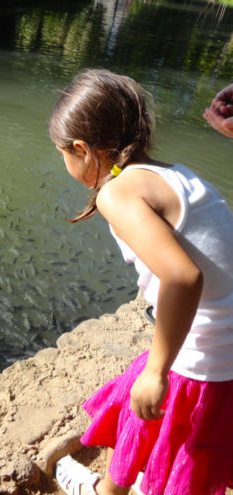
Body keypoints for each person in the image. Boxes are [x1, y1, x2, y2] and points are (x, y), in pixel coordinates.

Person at [47, 69, 233, 495]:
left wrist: (158, 370)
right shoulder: (173, 172)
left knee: (156, 407)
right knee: (143, 408)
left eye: (62, 153)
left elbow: (184, 277)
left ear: (80, 148)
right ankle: (108, 490)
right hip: (225, 339)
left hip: (206, 355)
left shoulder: (117, 192)